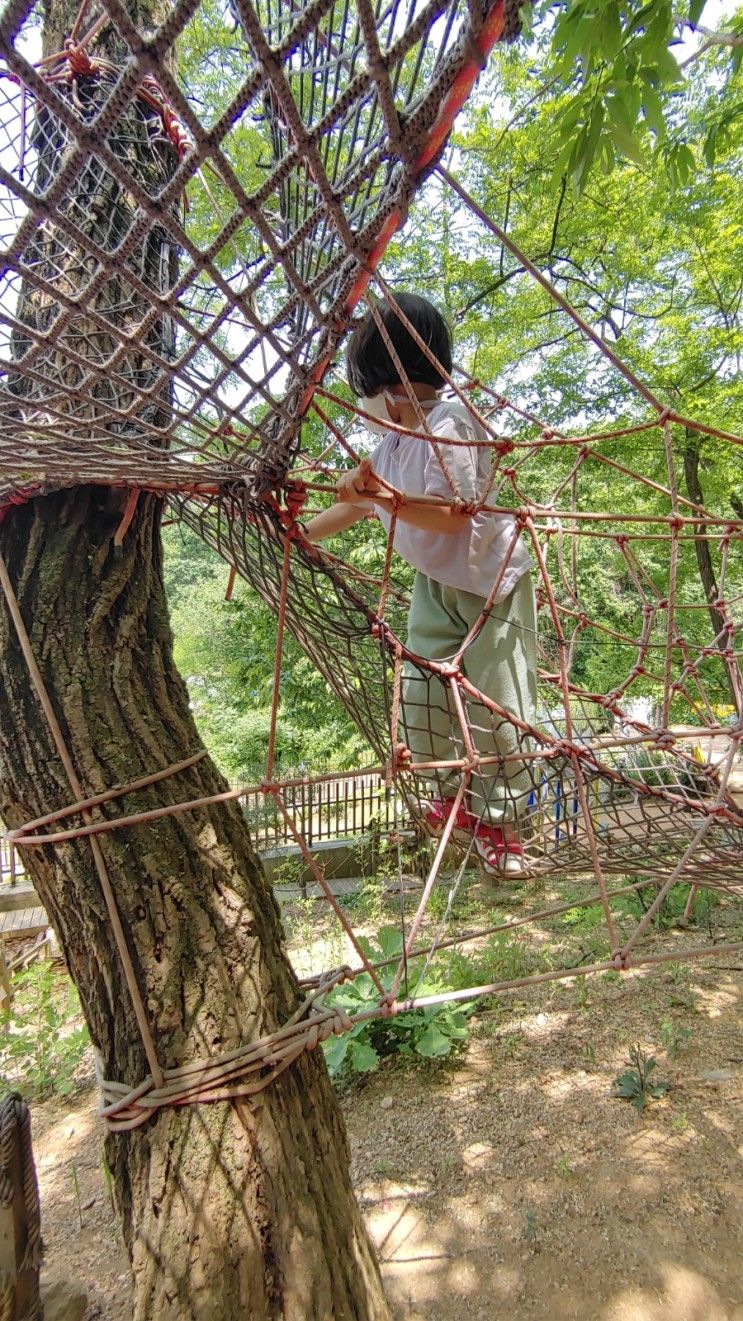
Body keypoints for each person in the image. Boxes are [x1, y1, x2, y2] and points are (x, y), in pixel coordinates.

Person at [304, 293, 538, 876]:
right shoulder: (391, 444)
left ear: (394, 385)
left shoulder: (451, 424)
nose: (362, 407)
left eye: (366, 392)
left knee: (496, 709)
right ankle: (451, 800)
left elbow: (449, 512)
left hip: (490, 586)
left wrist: (377, 494)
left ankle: (503, 826)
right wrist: (300, 534)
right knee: (421, 695)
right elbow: (355, 510)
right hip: (434, 584)